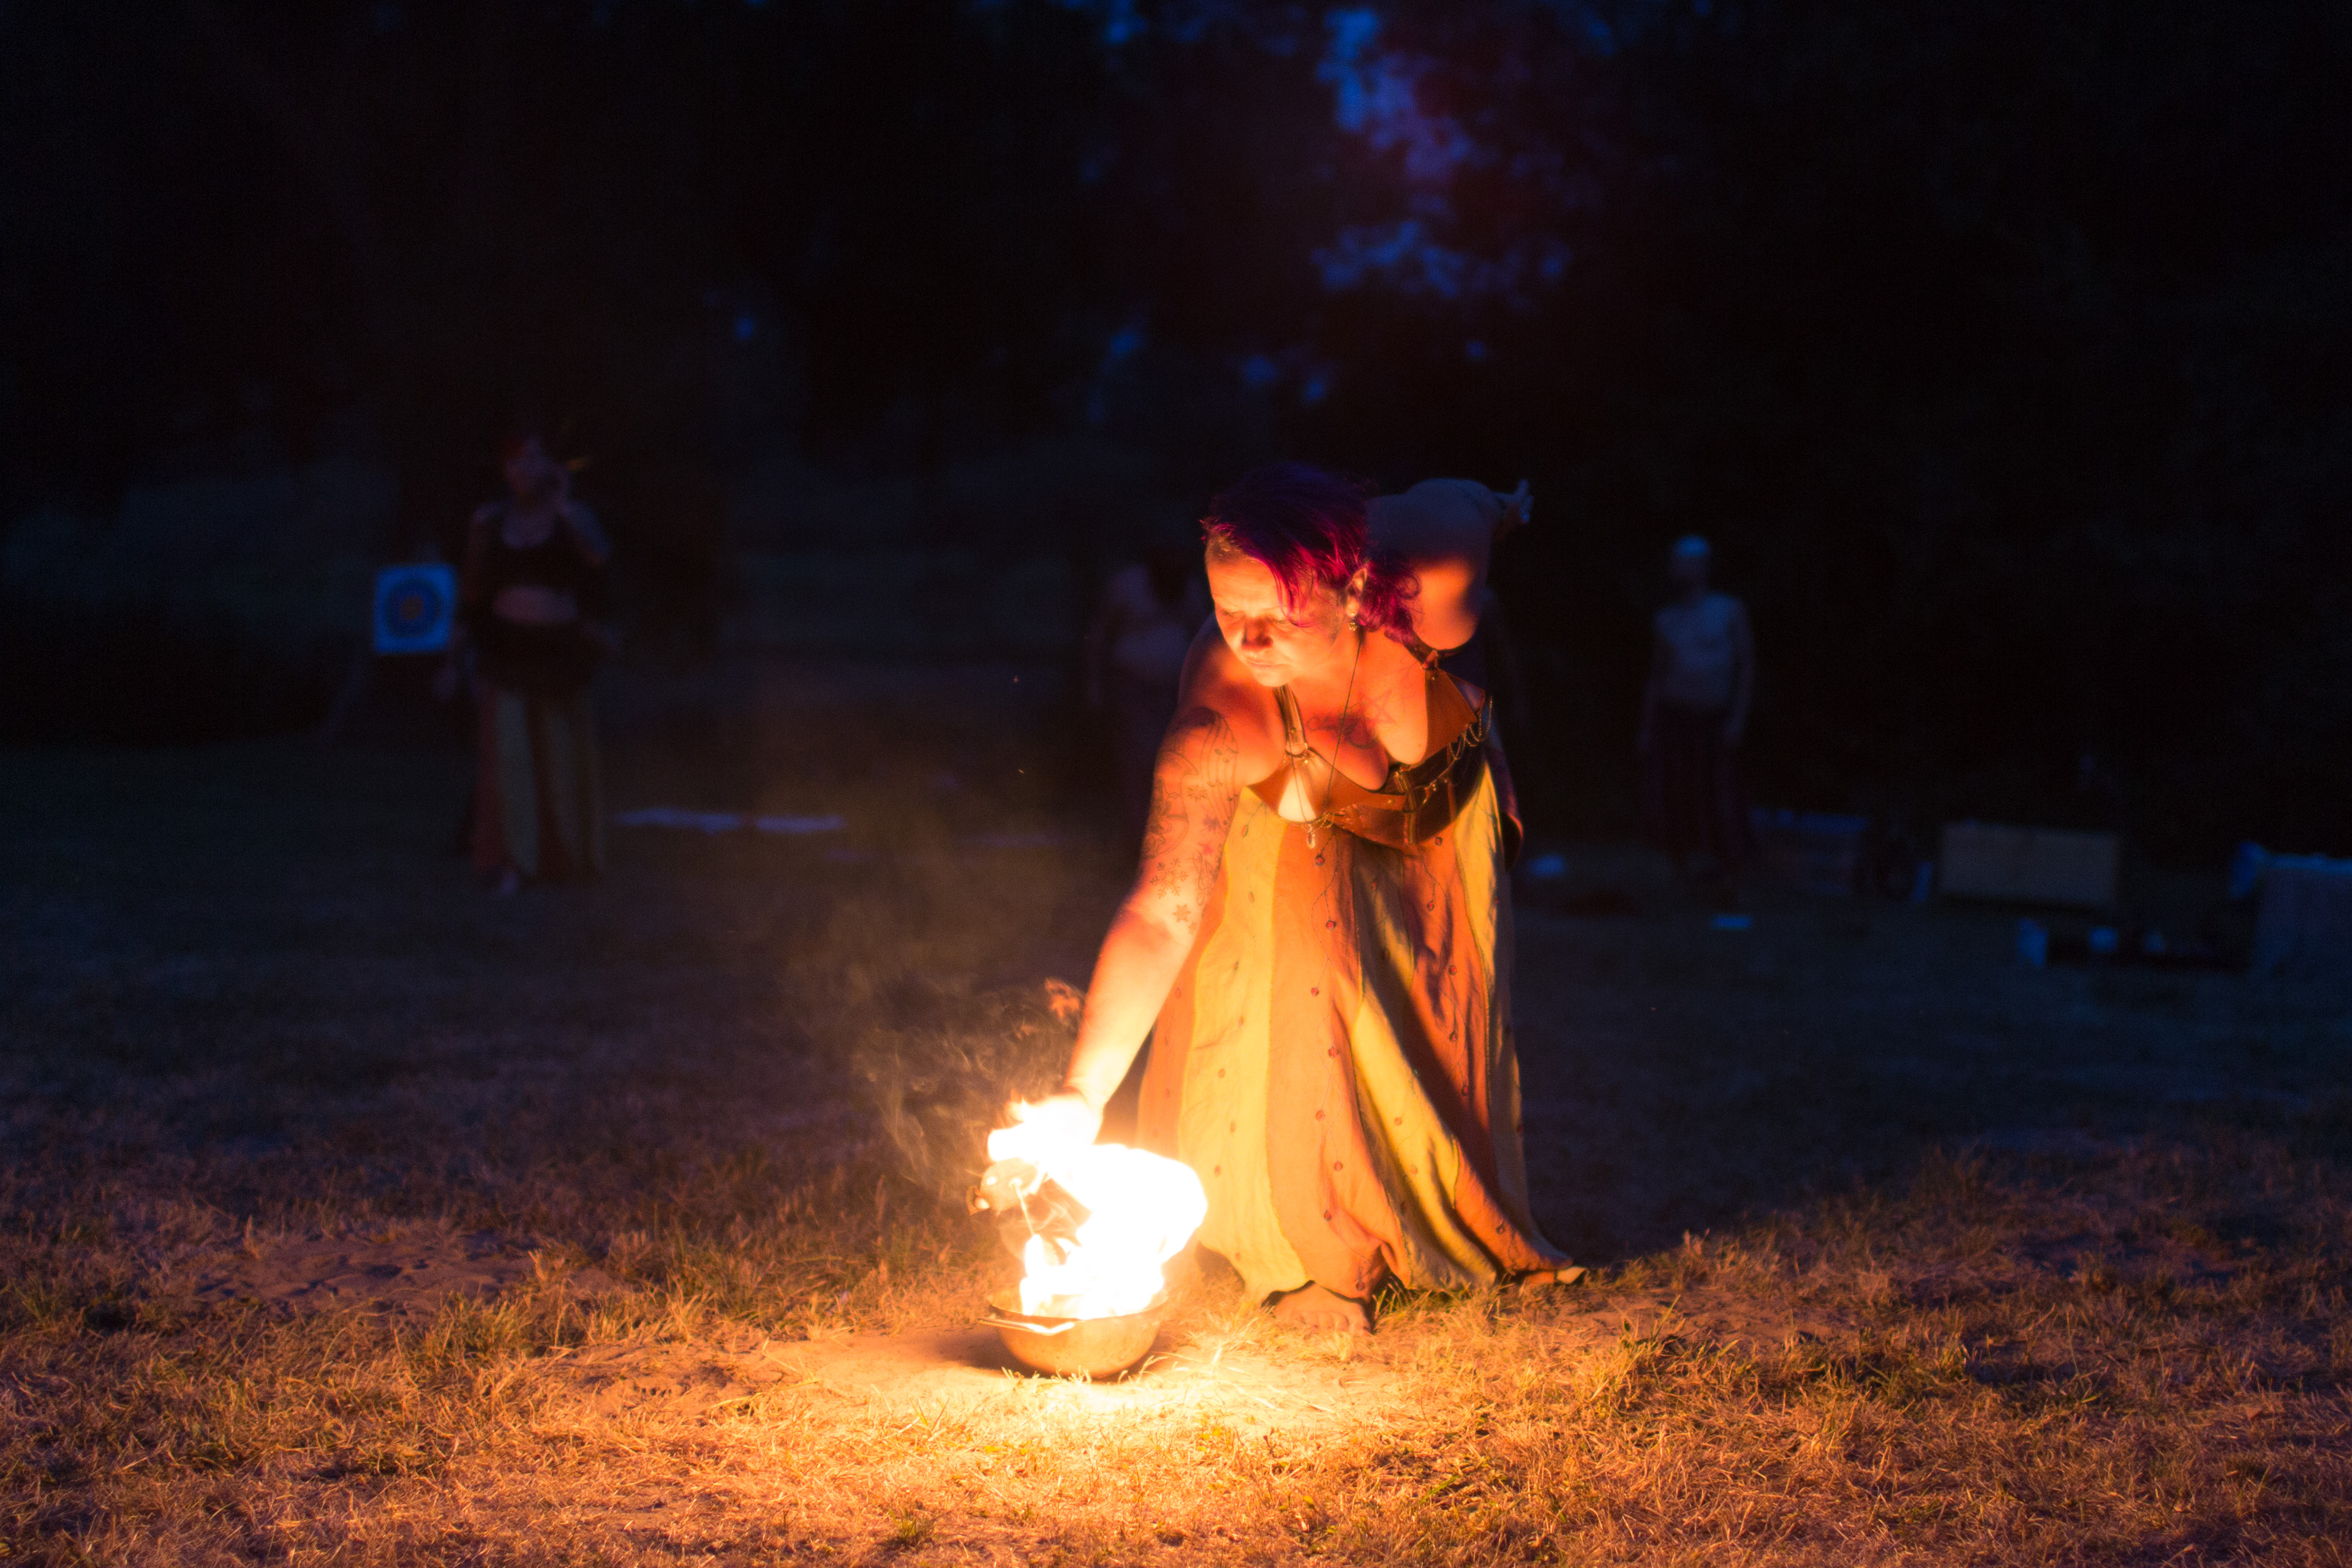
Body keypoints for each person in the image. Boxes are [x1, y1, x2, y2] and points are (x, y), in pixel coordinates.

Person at [1010, 465, 1566, 1334]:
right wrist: (1083, 1093)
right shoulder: (1224, 720)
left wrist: (1501, 508)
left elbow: (1469, 504)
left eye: (1277, 616)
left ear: (1354, 587)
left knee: (1429, 1010)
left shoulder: (1437, 570)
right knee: (1310, 985)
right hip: (1295, 832)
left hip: (1444, 828)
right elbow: (1161, 909)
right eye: (1227, 612)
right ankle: (1311, 1249)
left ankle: (1424, 1197)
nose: (1249, 641)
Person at [441, 432, 614, 894]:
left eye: (534, 459)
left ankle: (568, 860)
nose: (524, 469)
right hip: (507, 649)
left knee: (561, 757)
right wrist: (453, 658)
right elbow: (472, 592)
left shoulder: (574, 516)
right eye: (515, 461)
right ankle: (515, 862)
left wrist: (564, 508)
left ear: (551, 466)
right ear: (504, 471)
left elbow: (599, 558)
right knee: (511, 757)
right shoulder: (489, 521)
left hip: (559, 650)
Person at [1638, 535, 1754, 896]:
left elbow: (1746, 666)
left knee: (1719, 791)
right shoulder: (1667, 619)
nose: (1681, 570)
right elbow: (1657, 676)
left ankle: (1730, 867)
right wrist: (1647, 727)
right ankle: (1682, 866)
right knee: (1678, 791)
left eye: (1687, 563)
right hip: (1677, 716)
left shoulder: (1728, 610)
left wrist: (1737, 719)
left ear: (1703, 567)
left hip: (1715, 716)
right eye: (1677, 563)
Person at [1085, 531, 1213, 849]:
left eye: (1179, 556)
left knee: (1173, 762)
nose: (1174, 562)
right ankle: (1136, 840)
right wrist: (1094, 687)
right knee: (1137, 762)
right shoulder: (1127, 586)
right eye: (1167, 555)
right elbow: (1100, 637)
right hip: (1132, 689)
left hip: (1174, 692)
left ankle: (1169, 838)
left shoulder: (1189, 589)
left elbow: (1204, 641)